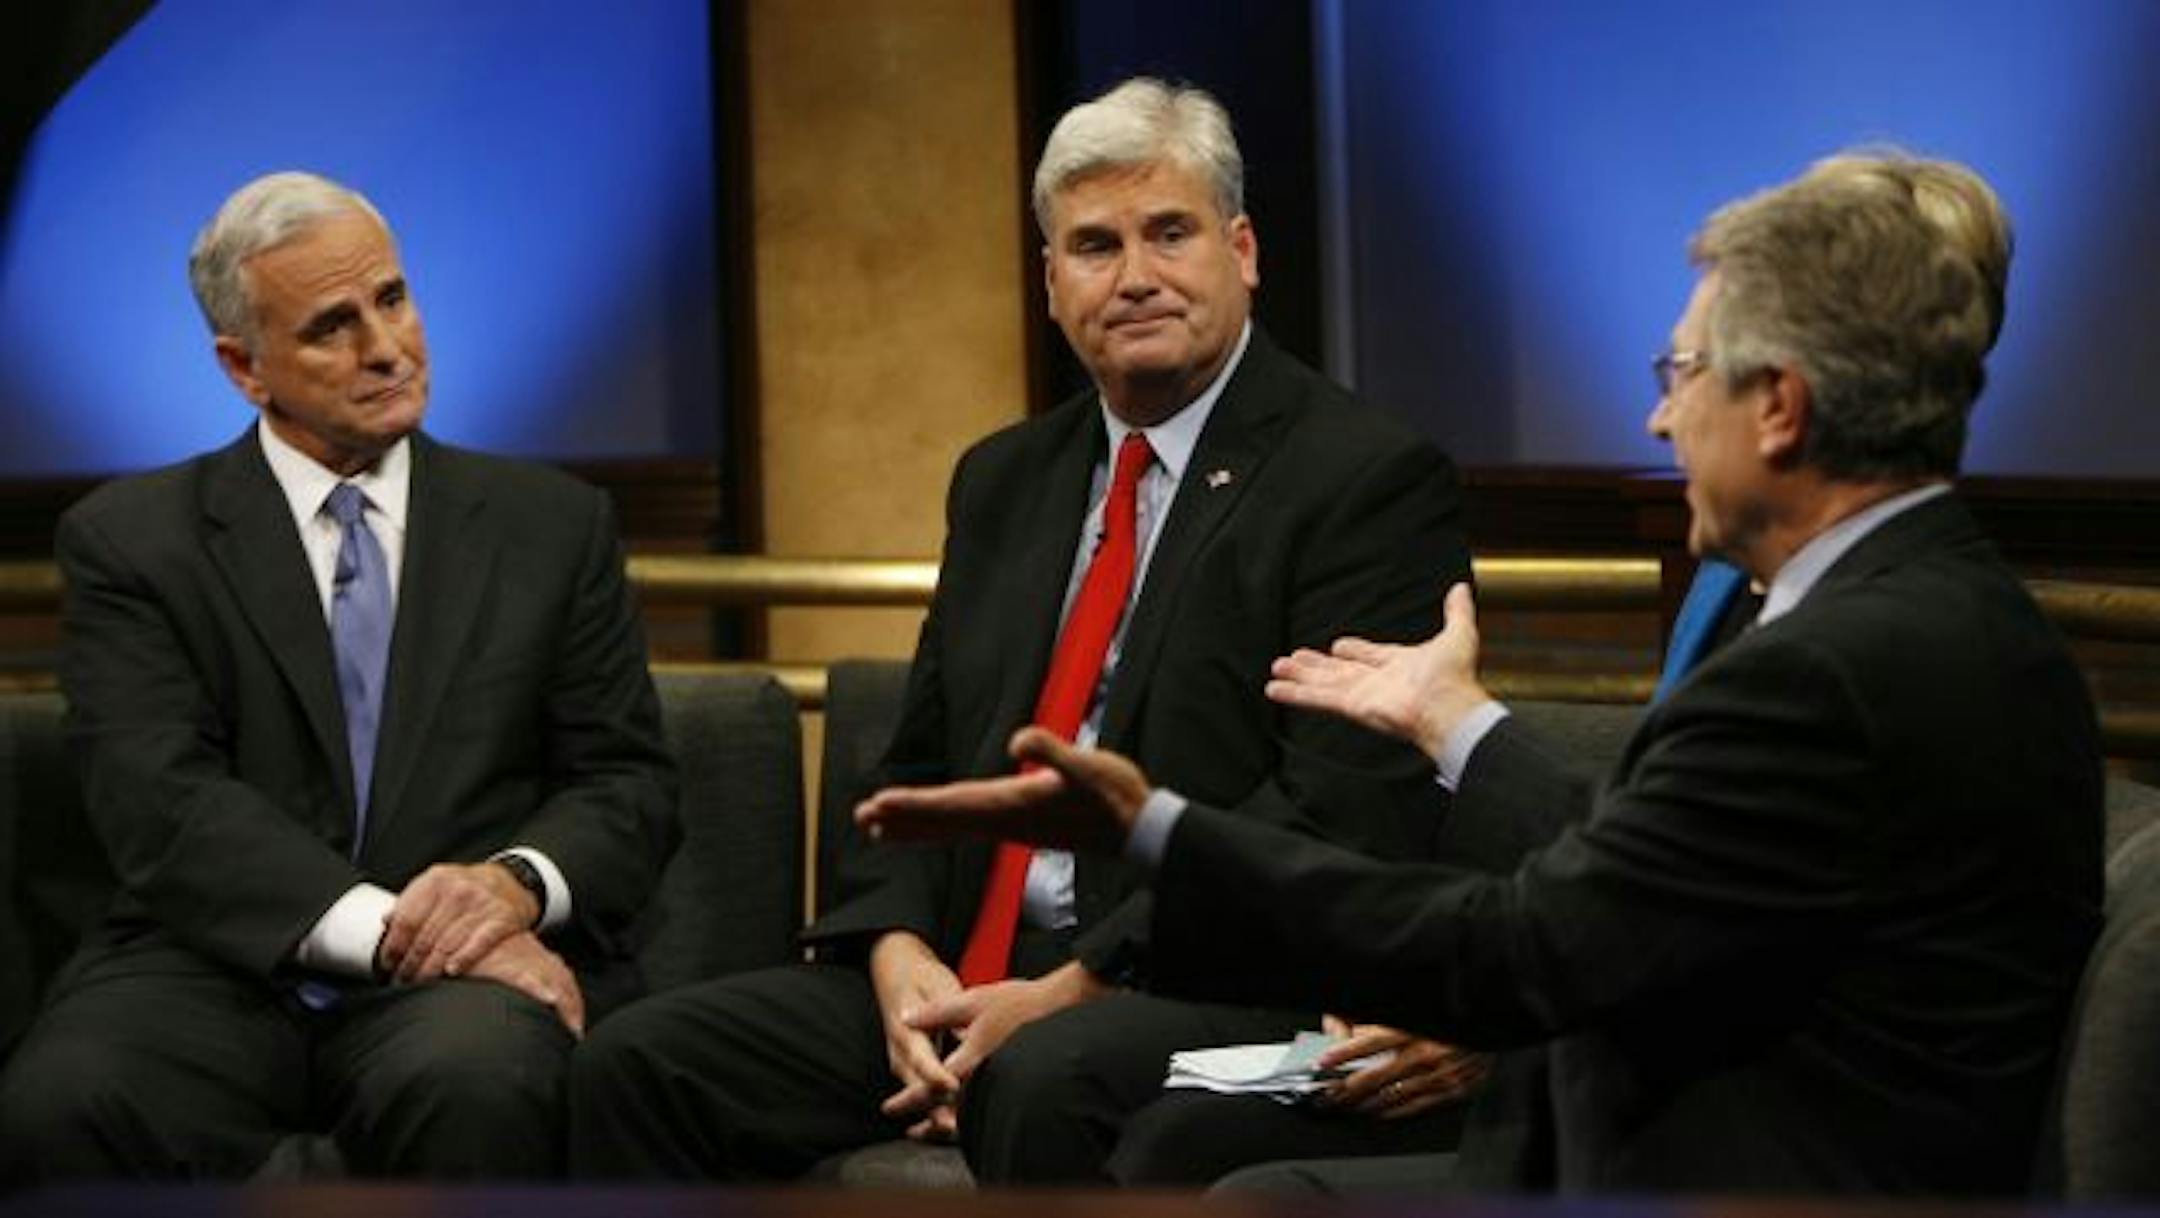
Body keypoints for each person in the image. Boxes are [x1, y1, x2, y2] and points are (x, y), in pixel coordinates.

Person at [857, 149, 2105, 1196]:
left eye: (1681, 376)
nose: (1660, 422)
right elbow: (1652, 874)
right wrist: (1457, 722)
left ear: (1777, 406)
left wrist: (1155, 824)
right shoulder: (1950, 611)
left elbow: (1525, 948)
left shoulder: (1830, 668)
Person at [570, 77, 1472, 1184]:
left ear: (1242, 251)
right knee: (644, 1064)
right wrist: (899, 958)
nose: (1134, 277)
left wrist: (1071, 987)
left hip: (1192, 976)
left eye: (1169, 234)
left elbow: (1328, 816)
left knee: (1045, 1073)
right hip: (971, 962)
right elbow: (916, 759)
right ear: (1051, 284)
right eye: (1093, 246)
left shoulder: (1363, 480)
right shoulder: (1004, 478)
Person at [0, 171, 680, 1181]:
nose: (386, 348)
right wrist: (398, 931)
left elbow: (627, 784)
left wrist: (512, 887)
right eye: (332, 326)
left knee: (480, 1083)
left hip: (464, 986)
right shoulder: (132, 543)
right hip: (213, 960)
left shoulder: (553, 526)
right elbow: (163, 803)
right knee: (63, 1101)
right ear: (243, 367)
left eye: (393, 299)